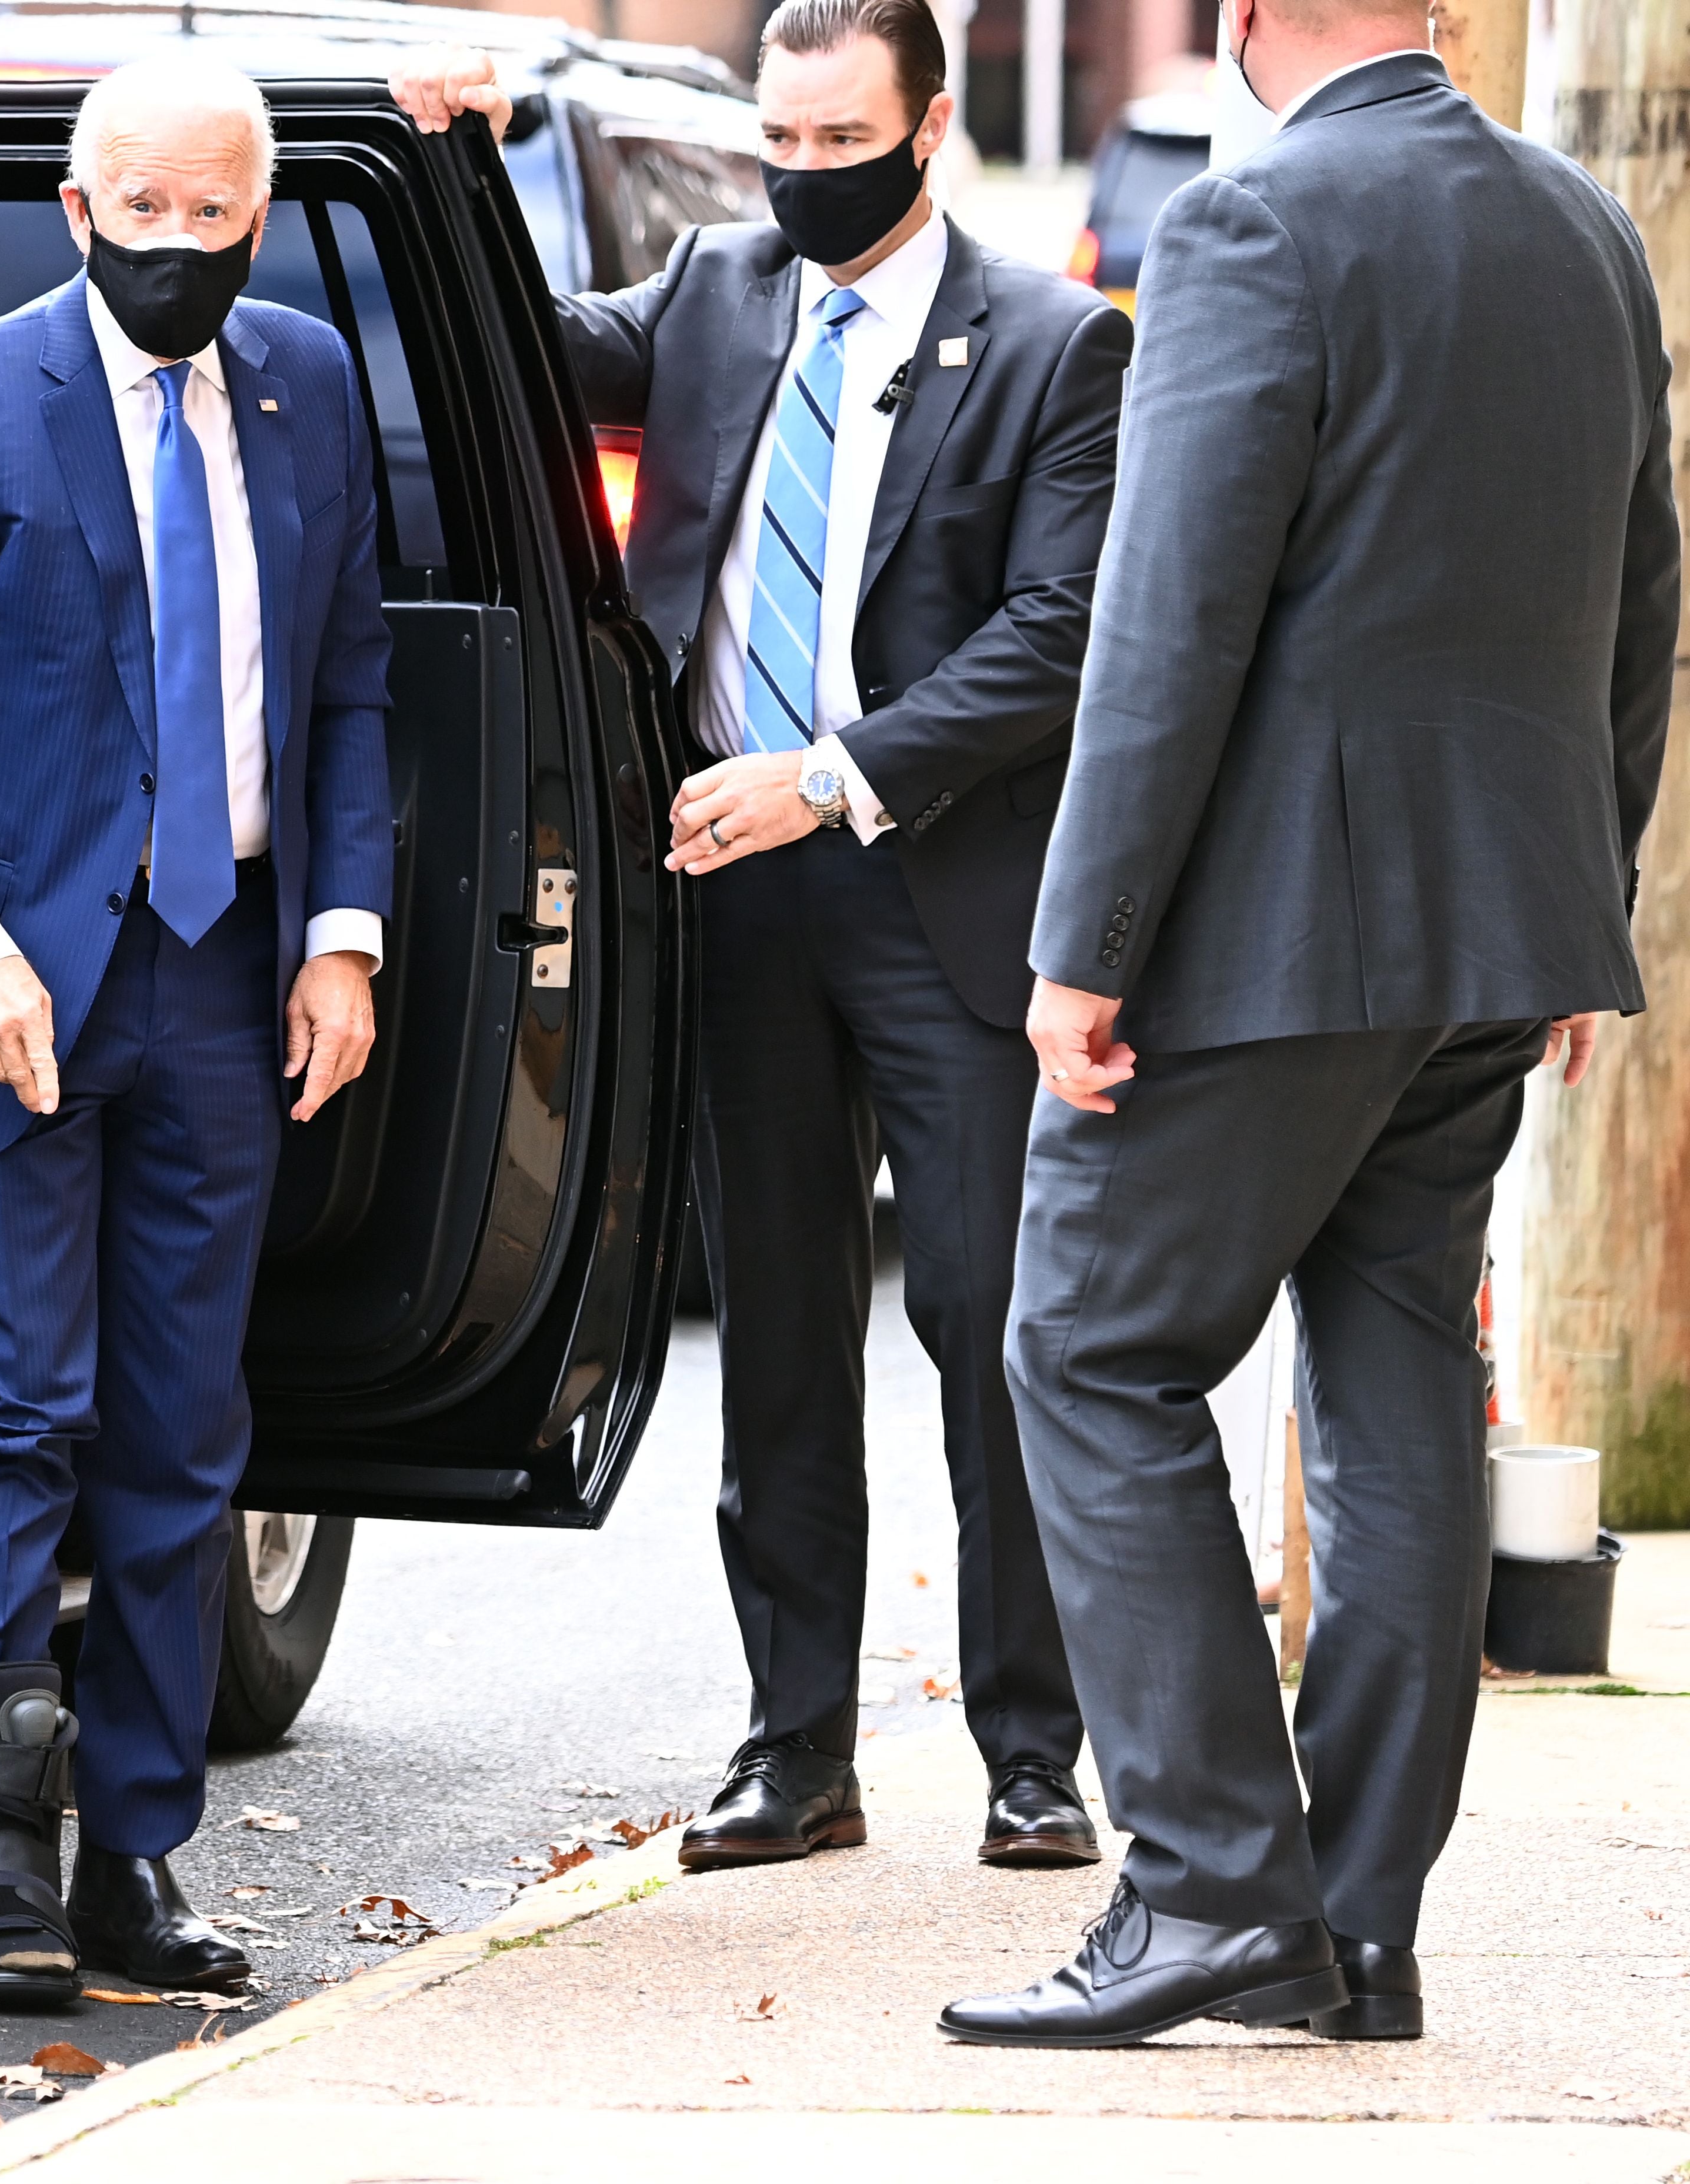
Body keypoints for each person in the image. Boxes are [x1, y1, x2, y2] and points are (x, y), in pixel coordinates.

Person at [940, 0, 1677, 2048]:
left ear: (1249, 24)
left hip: (1266, 936)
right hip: (1482, 937)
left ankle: (1201, 1899)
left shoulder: (1244, 225)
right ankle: (1351, 1924)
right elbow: (1639, 590)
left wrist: (1079, 944)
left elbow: (1166, 613)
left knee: (1084, 1348)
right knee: (1387, 1394)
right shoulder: (1580, 231)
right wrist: (1571, 904)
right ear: (1431, 15)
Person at [399, 0, 1128, 1877]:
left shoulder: (1054, 345)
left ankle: (1032, 1757)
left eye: (838, 142)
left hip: (934, 892)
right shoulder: (717, 288)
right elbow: (527, 359)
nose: (805, 176)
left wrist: (829, 777)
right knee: (783, 1340)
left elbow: (1052, 635)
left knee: (985, 1328)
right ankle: (793, 1744)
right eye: (781, 144)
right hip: (724, 896)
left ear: (930, 126)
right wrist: (456, 160)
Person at [0, 55, 392, 2008]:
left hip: (229, 983)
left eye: (204, 219)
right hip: (19, 997)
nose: (168, 249)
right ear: (74, 211)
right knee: (12, 1408)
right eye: (132, 215)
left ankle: (132, 1859)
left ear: (255, 212)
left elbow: (348, 694)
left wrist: (343, 935)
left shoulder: (307, 388)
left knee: (180, 1422)